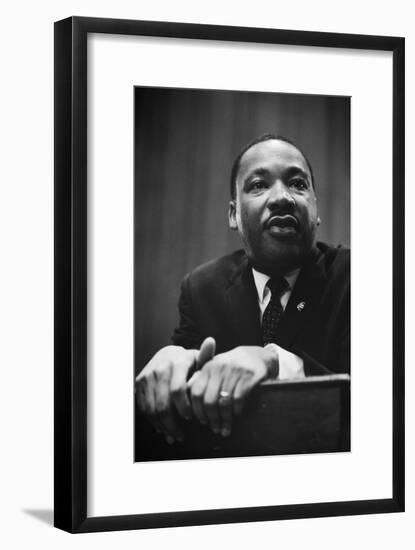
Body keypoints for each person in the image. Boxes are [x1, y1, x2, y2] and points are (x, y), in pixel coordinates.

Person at [135, 133, 350, 445]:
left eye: (298, 184)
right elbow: (187, 388)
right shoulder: (201, 288)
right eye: (259, 185)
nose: (282, 198)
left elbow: (382, 403)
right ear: (234, 215)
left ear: (316, 211)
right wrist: (175, 362)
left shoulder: (357, 277)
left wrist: (273, 361)